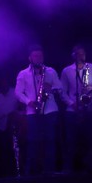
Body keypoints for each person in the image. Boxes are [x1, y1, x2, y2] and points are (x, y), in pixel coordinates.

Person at [15, 45, 62, 175]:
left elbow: (60, 86)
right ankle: (34, 172)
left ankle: (50, 171)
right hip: (32, 111)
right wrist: (28, 102)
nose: (38, 58)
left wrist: (51, 88)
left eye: (40, 56)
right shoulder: (23, 74)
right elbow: (18, 92)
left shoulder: (50, 71)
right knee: (33, 141)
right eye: (35, 56)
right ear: (30, 58)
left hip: (50, 110)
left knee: (50, 141)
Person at [60, 45, 92, 173]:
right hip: (73, 111)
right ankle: (69, 170)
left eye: (83, 54)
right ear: (73, 55)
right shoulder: (67, 71)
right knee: (71, 141)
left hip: (89, 109)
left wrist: (90, 89)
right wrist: (71, 103)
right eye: (78, 54)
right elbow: (62, 91)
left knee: (90, 139)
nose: (81, 56)